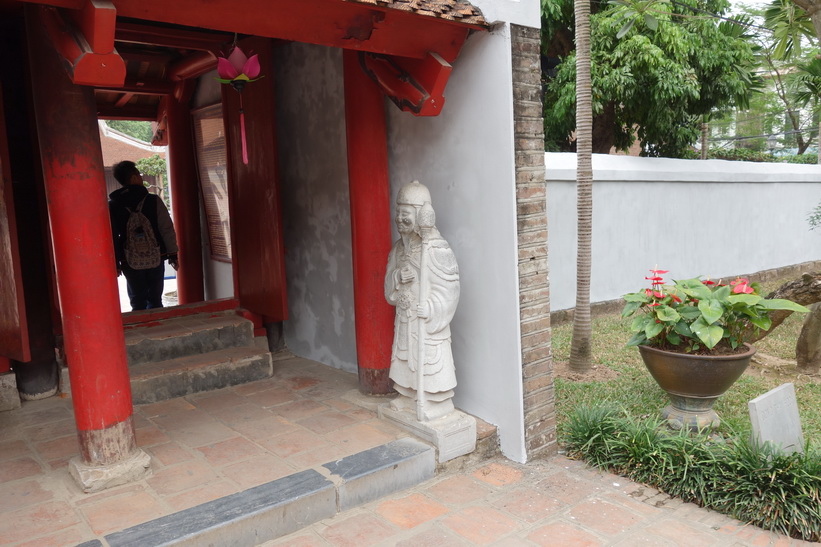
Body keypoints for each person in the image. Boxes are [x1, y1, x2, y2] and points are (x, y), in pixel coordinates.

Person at [384, 180, 460, 421]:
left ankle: (436, 400)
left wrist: (430, 307)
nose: (399, 218)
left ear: (419, 215)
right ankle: (407, 396)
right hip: (405, 319)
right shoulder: (398, 249)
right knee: (405, 358)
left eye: (405, 213)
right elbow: (387, 287)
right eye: (398, 212)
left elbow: (451, 288)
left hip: (426, 322)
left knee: (429, 362)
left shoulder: (436, 248)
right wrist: (397, 277)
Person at [109, 160, 179, 311]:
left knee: (137, 300)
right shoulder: (153, 200)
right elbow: (166, 228)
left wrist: (115, 263)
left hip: (128, 258)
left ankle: (141, 328)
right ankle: (159, 328)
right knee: (155, 299)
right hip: (156, 255)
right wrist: (173, 254)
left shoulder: (113, 205)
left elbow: (112, 236)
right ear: (134, 178)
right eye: (139, 175)